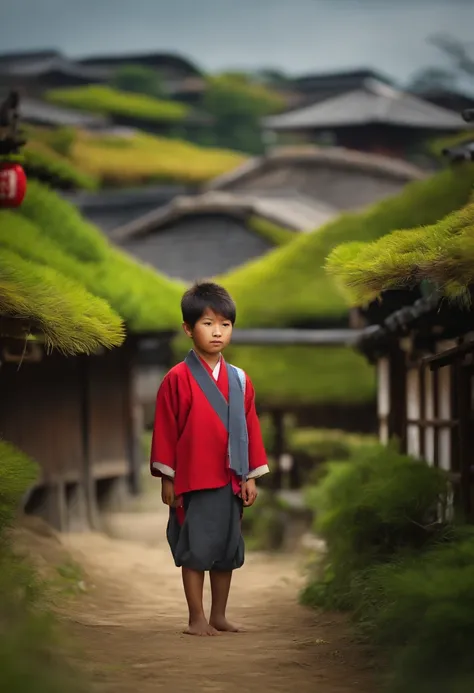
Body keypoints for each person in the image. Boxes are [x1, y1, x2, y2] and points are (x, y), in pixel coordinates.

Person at [150, 281, 269, 636]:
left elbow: (250, 429)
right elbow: (166, 431)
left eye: (225, 324)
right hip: (193, 478)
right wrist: (168, 479)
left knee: (226, 549)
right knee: (196, 549)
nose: (217, 332)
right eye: (207, 323)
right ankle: (196, 617)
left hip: (230, 477)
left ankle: (219, 615)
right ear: (188, 328)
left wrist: (249, 475)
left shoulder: (240, 380)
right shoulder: (176, 378)